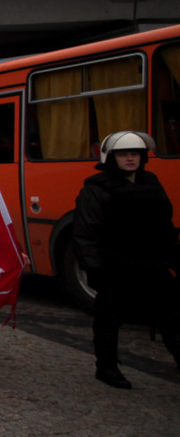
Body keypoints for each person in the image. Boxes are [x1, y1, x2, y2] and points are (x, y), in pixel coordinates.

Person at [72, 131, 179, 389]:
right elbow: (86, 232)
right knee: (109, 319)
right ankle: (106, 367)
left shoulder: (152, 182)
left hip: (153, 263)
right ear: (112, 157)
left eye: (135, 154)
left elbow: (165, 225)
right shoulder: (95, 189)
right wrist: (94, 268)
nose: (130, 159)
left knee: (172, 317)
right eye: (124, 154)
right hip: (116, 265)